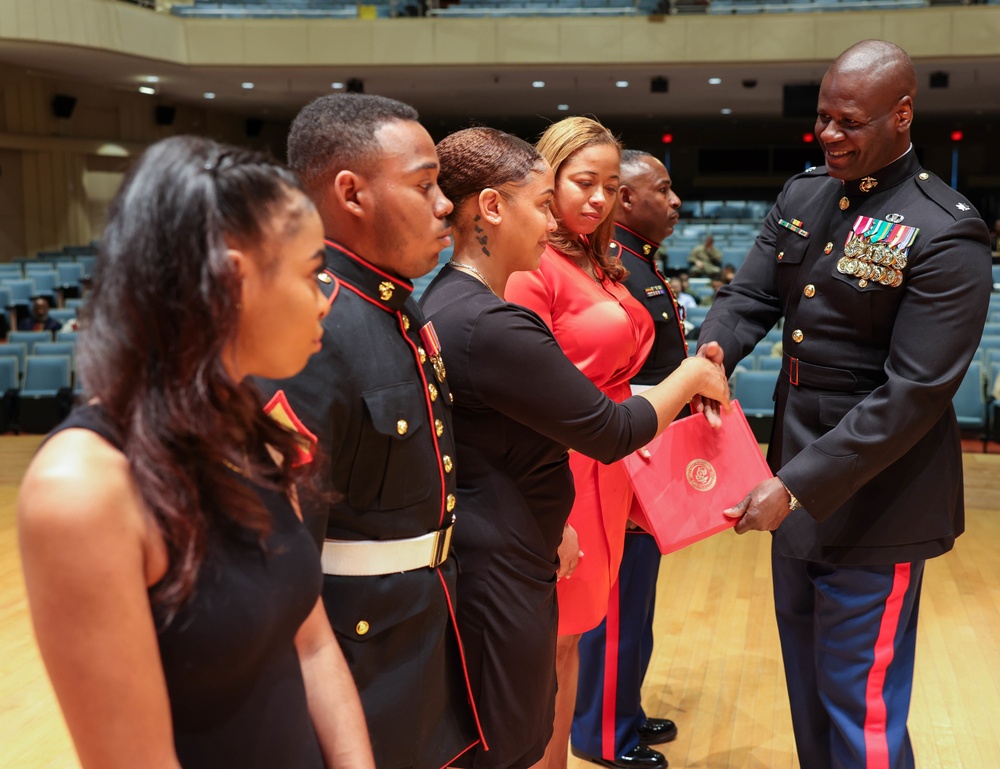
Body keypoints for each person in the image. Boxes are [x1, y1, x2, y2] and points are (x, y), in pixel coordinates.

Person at [17, 136, 374, 769]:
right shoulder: (83, 486)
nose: (324, 297)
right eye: (310, 270)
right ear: (234, 279)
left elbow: (312, 644)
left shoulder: (246, 428)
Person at [698, 40, 992, 769]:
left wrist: (796, 485)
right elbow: (751, 297)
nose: (829, 135)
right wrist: (711, 355)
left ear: (901, 115)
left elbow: (914, 392)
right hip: (796, 469)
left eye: (849, 122)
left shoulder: (945, 227)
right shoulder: (804, 195)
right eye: (823, 118)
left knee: (859, 703)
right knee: (808, 683)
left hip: (876, 496)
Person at [420, 127, 728, 769]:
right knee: (518, 714)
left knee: (551, 672)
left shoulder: (468, 299)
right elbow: (596, 424)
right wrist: (691, 379)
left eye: (609, 188)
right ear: (496, 207)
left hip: (541, 496)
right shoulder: (495, 312)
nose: (564, 213)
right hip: (530, 505)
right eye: (551, 198)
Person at [254, 94, 484, 769]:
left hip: (422, 628)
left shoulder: (393, 301)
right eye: (424, 184)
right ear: (350, 193)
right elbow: (281, 561)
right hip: (358, 658)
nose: (445, 204)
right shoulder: (309, 327)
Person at [503, 117, 653, 769]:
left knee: (570, 645)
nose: (598, 198)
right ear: (549, 177)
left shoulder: (595, 256)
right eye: (584, 182)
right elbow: (522, 390)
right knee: (548, 647)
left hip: (604, 463)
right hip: (557, 465)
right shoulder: (532, 265)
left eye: (612, 186)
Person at [572, 150, 688, 769]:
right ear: (624, 201)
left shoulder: (630, 267)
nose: (675, 202)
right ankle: (601, 734)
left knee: (636, 604)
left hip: (647, 454)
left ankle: (626, 712)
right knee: (618, 606)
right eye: (660, 190)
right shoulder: (614, 275)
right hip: (626, 457)